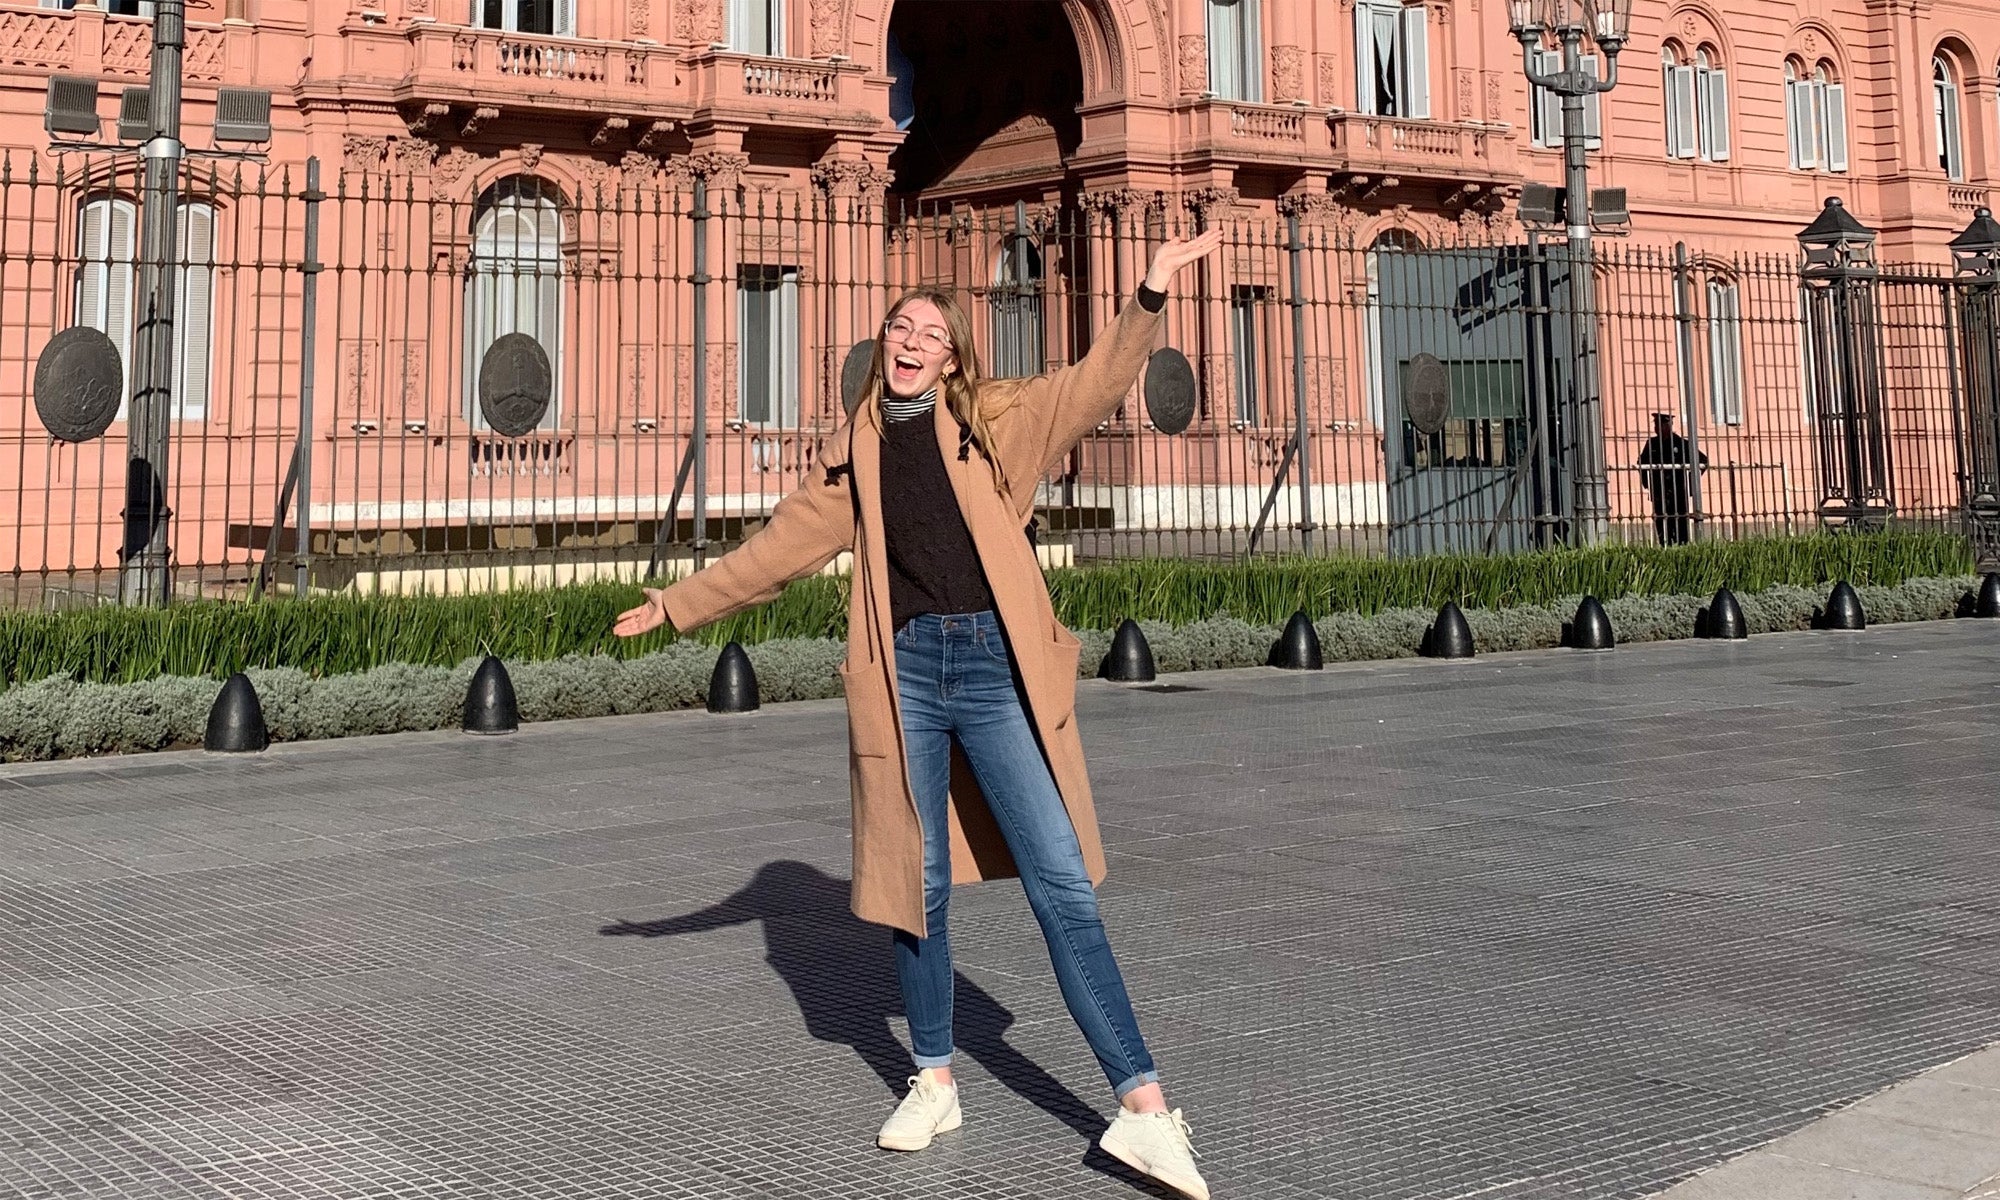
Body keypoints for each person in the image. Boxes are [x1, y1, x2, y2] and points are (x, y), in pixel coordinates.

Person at [614, 229, 1227, 1200]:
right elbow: (778, 548)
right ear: (883, 342)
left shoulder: (996, 420)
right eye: (899, 324)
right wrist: (679, 603)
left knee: (1059, 877)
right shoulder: (855, 447)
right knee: (917, 884)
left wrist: (1149, 290)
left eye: (929, 329)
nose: (909, 337)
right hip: (903, 675)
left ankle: (1143, 1107)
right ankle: (932, 1077)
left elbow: (1096, 381)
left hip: (990, 667)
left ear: (952, 355)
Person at [1637, 411, 1707, 545]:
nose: (1656, 428)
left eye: (1660, 424)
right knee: (1662, 524)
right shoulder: (1652, 443)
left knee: (1681, 525)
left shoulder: (1680, 443)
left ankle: (1683, 547)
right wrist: (1646, 484)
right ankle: (1665, 547)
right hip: (1659, 492)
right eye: (1655, 425)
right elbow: (1641, 463)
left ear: (1669, 425)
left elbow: (1703, 461)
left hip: (1678, 492)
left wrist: (1692, 484)